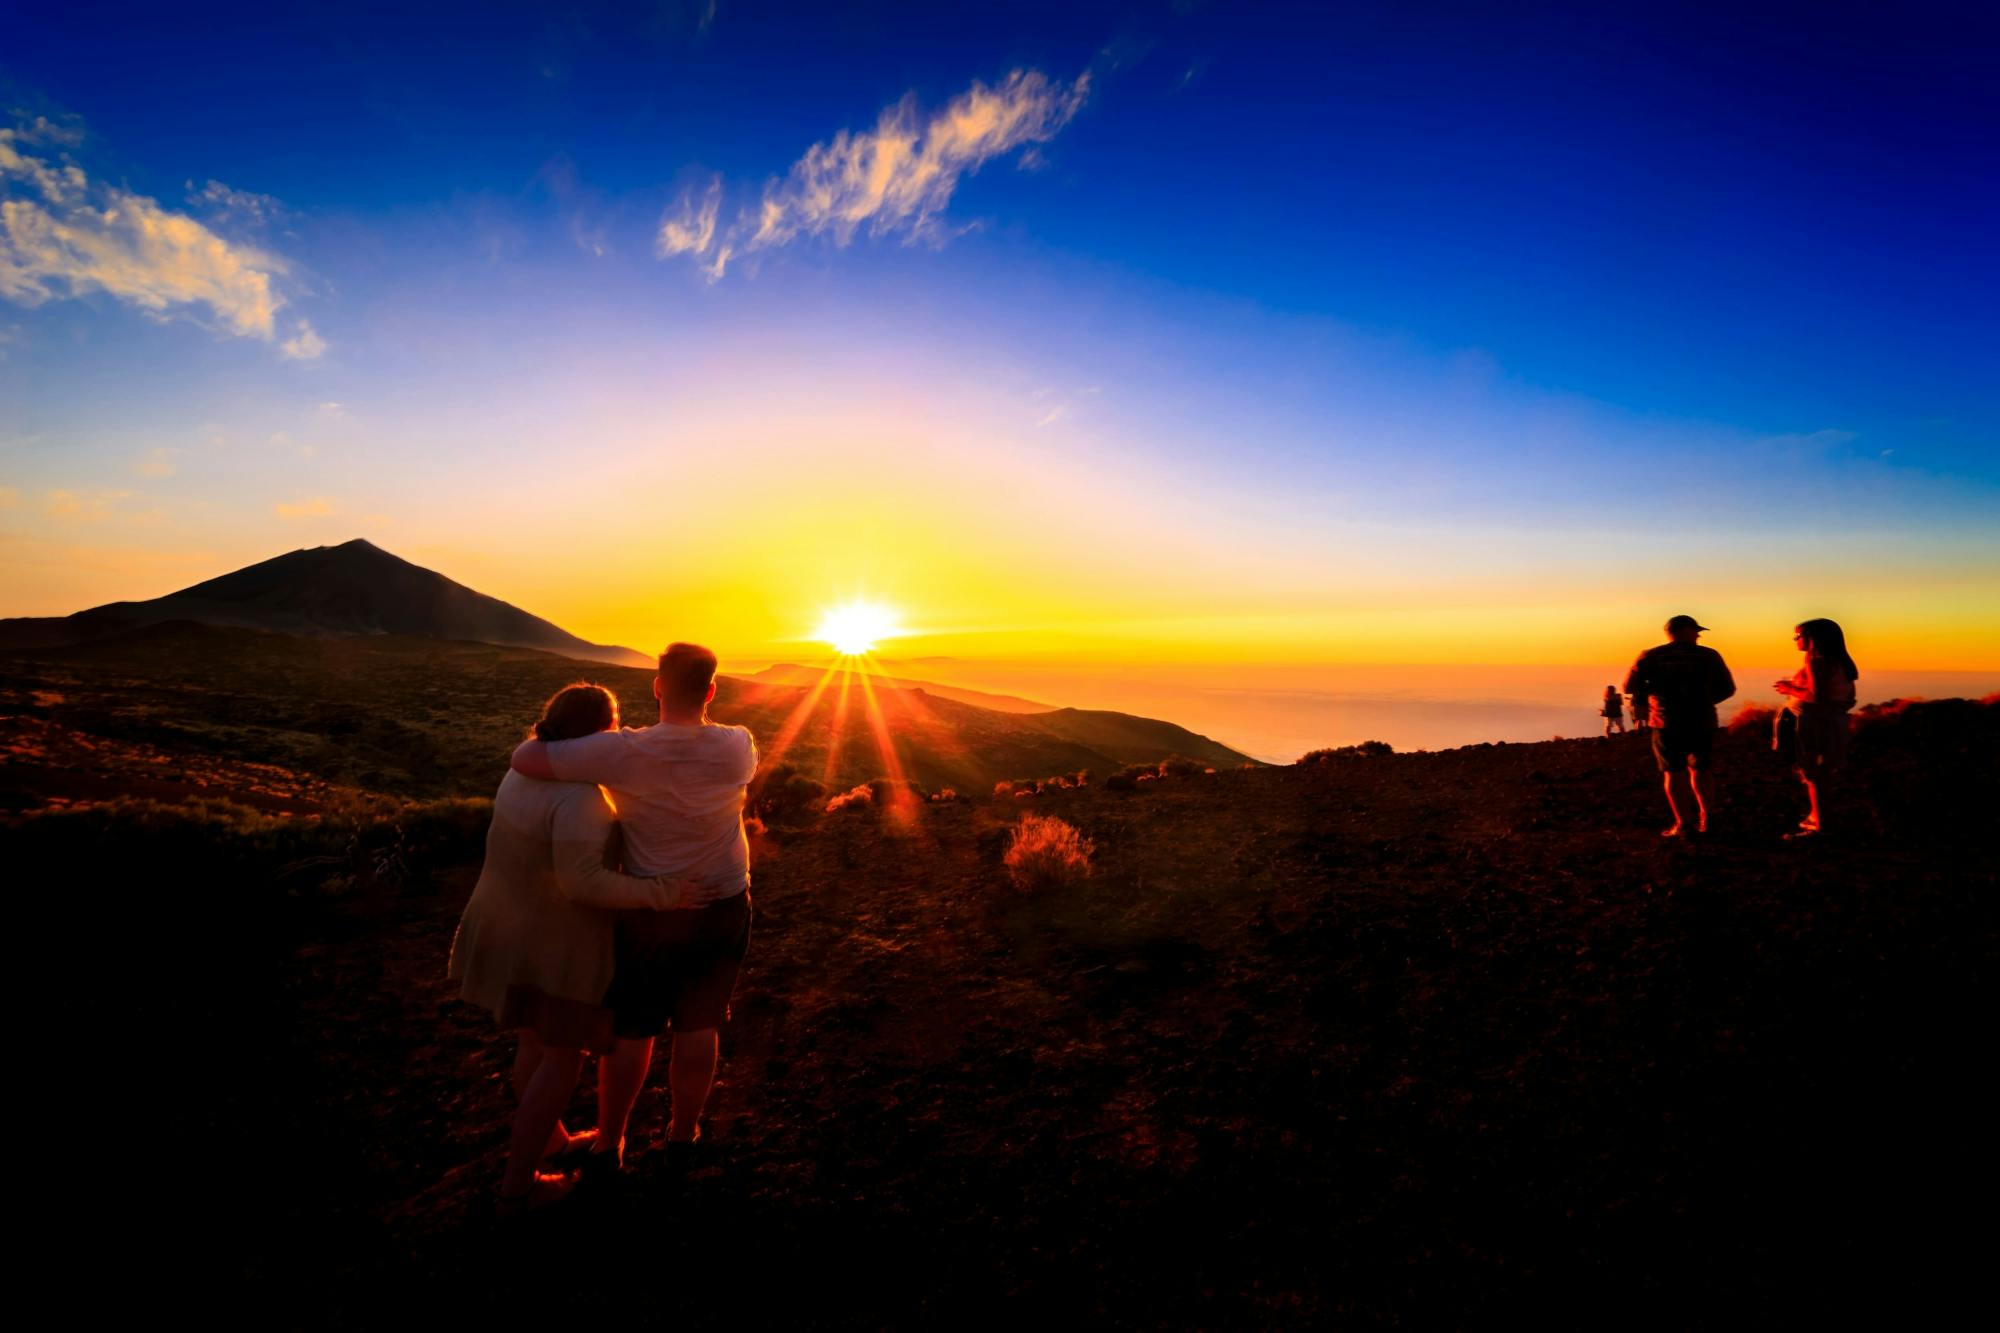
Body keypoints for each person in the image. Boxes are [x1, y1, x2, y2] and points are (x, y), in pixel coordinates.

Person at [448, 684, 713, 1214]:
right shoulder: (580, 799)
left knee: (531, 1046)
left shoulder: (523, 772)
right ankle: (517, 1189)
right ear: (596, 731)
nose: (617, 732)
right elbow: (582, 883)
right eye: (613, 724)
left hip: (503, 926)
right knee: (561, 1061)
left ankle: (553, 1142)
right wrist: (661, 894)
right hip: (553, 949)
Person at [510, 642, 757, 1174]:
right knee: (699, 1027)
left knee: (633, 1031)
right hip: (723, 902)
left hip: (652, 912)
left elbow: (524, 758)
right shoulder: (739, 746)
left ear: (657, 687)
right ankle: (683, 1134)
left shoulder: (623, 751)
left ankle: (609, 1143)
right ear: (711, 690)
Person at [1623, 614, 1736, 837]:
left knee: (1673, 773)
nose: (1698, 635)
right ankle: (1708, 819)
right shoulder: (1709, 656)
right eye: (1695, 630)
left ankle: (1683, 824)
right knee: (1702, 770)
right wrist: (1704, 701)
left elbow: (1629, 686)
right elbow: (1728, 688)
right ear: (1684, 630)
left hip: (1666, 722)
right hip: (1702, 720)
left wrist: (1655, 698)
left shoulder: (1651, 656)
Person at [1772, 618, 1858, 839]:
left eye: (1798, 636)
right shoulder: (1841, 662)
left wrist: (1789, 687)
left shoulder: (1815, 661)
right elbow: (1849, 697)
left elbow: (1815, 696)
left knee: (1813, 775)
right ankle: (1818, 818)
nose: (1795, 640)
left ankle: (1821, 827)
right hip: (1832, 722)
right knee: (1823, 774)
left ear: (1813, 639)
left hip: (1811, 723)